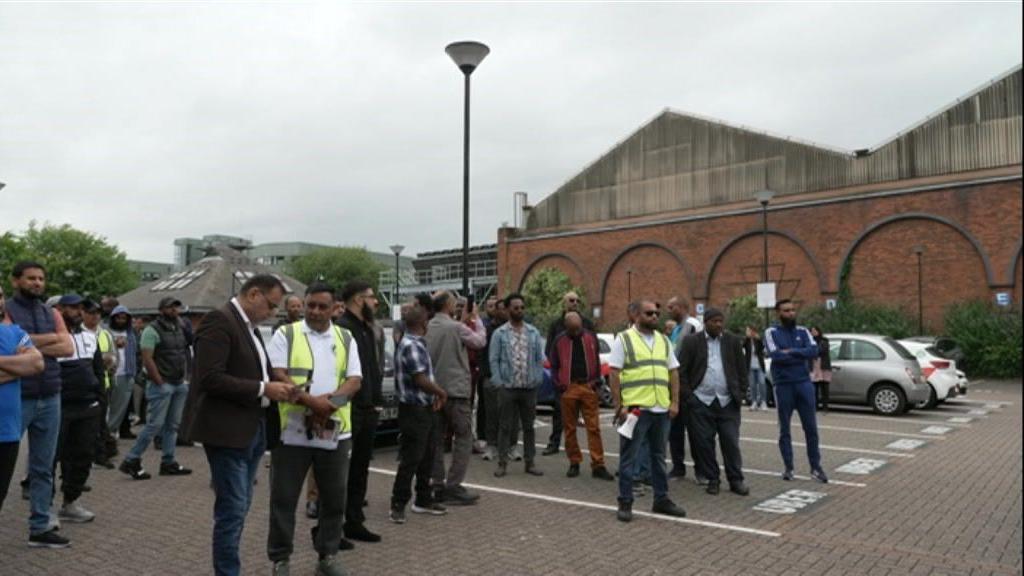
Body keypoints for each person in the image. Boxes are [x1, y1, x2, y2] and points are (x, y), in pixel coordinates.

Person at [189, 274, 292, 576]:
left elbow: (258, 369)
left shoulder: (249, 327)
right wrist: (264, 389)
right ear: (253, 295)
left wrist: (281, 385)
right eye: (271, 306)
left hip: (253, 428)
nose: (272, 313)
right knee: (232, 511)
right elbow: (209, 378)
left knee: (241, 505)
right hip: (228, 431)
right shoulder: (219, 321)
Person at [266, 283, 361, 576]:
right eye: (311, 305)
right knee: (284, 499)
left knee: (334, 499)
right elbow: (277, 373)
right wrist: (312, 403)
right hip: (291, 432)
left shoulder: (345, 337)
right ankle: (281, 560)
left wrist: (330, 405)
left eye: (322, 306)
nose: (315, 311)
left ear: (335, 308)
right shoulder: (286, 333)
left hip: (334, 432)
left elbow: (355, 380)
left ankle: (327, 556)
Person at [4, 261, 74, 548]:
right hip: (17, 396)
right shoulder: (5, 309)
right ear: (15, 281)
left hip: (51, 395)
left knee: (43, 466)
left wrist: (29, 344)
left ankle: (40, 526)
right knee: (3, 466)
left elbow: (67, 346)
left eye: (41, 279)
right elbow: (11, 346)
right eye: (31, 278)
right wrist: (49, 341)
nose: (37, 283)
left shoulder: (50, 311)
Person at [610, 299, 687, 522]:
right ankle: (625, 502)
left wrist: (674, 403)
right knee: (629, 459)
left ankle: (661, 499)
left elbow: (673, 372)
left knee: (659, 457)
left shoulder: (663, 340)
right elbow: (614, 374)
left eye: (656, 313)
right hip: (636, 410)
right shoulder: (624, 339)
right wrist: (619, 405)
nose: (655, 317)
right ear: (635, 316)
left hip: (661, 408)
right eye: (649, 313)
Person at [677, 308, 750, 496]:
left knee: (731, 442)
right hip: (701, 401)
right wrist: (689, 398)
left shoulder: (732, 341)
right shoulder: (692, 342)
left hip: (727, 402)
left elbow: (742, 369)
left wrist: (741, 393)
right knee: (704, 443)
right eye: (714, 321)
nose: (719, 325)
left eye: (721, 321)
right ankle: (713, 479)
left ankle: (736, 480)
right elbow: (681, 371)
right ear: (706, 322)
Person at [118, 297, 192, 479]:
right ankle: (131, 459)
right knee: (155, 424)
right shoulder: (152, 330)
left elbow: (185, 350)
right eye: (171, 307)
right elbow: (147, 358)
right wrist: (158, 380)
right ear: (161, 310)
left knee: (173, 425)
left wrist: (185, 378)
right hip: (163, 383)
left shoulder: (180, 327)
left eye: (177, 307)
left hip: (178, 382)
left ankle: (168, 461)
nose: (175, 310)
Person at [390, 303, 449, 524]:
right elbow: (420, 378)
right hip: (414, 409)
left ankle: (423, 499)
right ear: (424, 323)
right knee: (412, 458)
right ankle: (398, 502)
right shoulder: (411, 345)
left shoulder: (415, 343)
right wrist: (440, 393)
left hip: (424, 407)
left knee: (427, 456)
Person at [425, 291, 485, 505]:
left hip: (433, 390)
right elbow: (479, 341)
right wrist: (475, 319)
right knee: (463, 437)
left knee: (437, 440)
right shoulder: (457, 328)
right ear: (449, 304)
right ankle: (454, 485)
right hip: (456, 391)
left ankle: (437, 483)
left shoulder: (428, 327)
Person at [336, 281, 384, 545]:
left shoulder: (366, 329)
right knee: (338, 471)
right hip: (349, 409)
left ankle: (354, 521)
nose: (375, 302)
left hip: (368, 408)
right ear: (357, 300)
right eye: (371, 297)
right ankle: (327, 528)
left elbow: (371, 369)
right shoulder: (343, 329)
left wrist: (375, 401)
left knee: (360, 469)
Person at [53, 294, 106, 523]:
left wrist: (100, 402)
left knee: (83, 455)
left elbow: (98, 371)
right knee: (51, 458)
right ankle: (43, 508)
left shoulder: (90, 337)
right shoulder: (52, 337)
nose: (77, 312)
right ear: (59, 309)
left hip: (88, 406)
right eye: (71, 307)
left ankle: (70, 502)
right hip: (60, 406)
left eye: (80, 308)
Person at [764, 300, 828, 483]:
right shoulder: (771, 332)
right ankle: (788, 468)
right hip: (783, 385)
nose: (791, 313)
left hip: (804, 384)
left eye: (793, 310)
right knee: (784, 428)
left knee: (811, 428)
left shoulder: (803, 331)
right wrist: (799, 353)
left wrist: (790, 352)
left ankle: (815, 467)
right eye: (786, 311)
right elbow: (775, 355)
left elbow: (814, 351)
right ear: (778, 313)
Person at [548, 312, 613, 480]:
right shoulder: (559, 340)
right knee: (569, 428)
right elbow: (553, 364)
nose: (576, 333)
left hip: (588, 385)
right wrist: (559, 384)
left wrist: (595, 383)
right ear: (566, 327)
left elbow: (597, 362)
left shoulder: (590, 337)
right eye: (572, 330)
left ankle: (598, 465)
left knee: (594, 428)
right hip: (568, 388)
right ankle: (574, 462)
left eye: (578, 329)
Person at [489, 294, 545, 478]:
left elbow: (539, 358)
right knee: (505, 426)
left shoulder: (533, 332)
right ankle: (502, 463)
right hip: (508, 387)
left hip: (528, 387)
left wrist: (537, 378)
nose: (519, 311)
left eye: (521, 307)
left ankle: (530, 462)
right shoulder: (500, 334)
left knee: (529, 427)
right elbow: (494, 359)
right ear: (507, 310)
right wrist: (499, 382)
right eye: (515, 308)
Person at [0, 285, 45, 513]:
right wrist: (18, 366)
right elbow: (27, 366)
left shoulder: (16, 332)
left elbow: (37, 364)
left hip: (7, 432)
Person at [542, 291, 593, 456]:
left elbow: (593, 348)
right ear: (565, 303)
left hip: (583, 378)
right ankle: (554, 443)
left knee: (588, 418)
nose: (575, 303)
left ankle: (589, 452)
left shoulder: (587, 324)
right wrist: (558, 369)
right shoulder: (556, 325)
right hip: (563, 378)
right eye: (571, 300)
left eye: (578, 300)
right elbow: (549, 349)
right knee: (559, 412)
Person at [665, 296, 703, 481]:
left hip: (689, 386)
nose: (668, 310)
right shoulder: (676, 329)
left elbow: (700, 354)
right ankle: (678, 467)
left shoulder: (693, 325)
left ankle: (700, 470)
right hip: (674, 387)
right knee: (675, 431)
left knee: (695, 431)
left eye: (671, 307)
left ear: (680, 307)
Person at [81, 300, 118, 468]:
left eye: (98, 313)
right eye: (91, 312)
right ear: (83, 313)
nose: (95, 316)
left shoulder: (105, 334)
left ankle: (101, 455)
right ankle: (85, 456)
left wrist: (109, 362)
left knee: (102, 420)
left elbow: (113, 356)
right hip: (84, 384)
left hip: (104, 382)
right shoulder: (77, 333)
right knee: (86, 423)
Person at [105, 305, 140, 439]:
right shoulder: (105, 332)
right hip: (109, 374)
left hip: (126, 373)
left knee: (120, 406)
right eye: (118, 318)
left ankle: (111, 431)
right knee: (106, 405)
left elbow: (136, 353)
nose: (121, 320)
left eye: (124, 318)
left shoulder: (131, 334)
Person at [744, 325, 768, 411]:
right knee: (752, 385)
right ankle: (754, 402)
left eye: (749, 331)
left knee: (762, 383)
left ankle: (763, 402)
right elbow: (742, 346)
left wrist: (758, 339)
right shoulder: (747, 341)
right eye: (747, 331)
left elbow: (762, 348)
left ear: (753, 331)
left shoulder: (758, 340)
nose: (748, 332)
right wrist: (747, 338)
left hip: (759, 366)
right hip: (750, 366)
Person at [809, 326, 832, 411]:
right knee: (814, 388)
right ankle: (815, 406)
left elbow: (822, 350)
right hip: (814, 366)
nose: (813, 332)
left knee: (824, 387)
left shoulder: (824, 340)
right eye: (812, 331)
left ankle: (825, 406)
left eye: (815, 330)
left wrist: (814, 351)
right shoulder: (809, 341)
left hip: (823, 365)